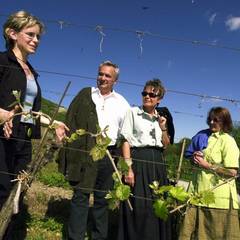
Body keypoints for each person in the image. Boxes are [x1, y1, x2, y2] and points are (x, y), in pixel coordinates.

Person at [0, 10, 67, 213]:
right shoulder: (2, 62)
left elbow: (30, 111)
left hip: (24, 136)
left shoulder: (31, 71)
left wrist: (54, 124)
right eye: (30, 34)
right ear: (12, 33)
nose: (36, 40)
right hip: (3, 135)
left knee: (17, 188)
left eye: (38, 36)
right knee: (1, 188)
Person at [58, 61, 130, 240]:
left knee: (102, 201)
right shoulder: (86, 94)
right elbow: (70, 118)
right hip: (84, 152)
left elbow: (126, 134)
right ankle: (75, 237)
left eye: (108, 76)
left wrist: (125, 163)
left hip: (108, 154)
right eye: (101, 74)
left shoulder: (122, 103)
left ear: (115, 80)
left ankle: (99, 237)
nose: (103, 78)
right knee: (81, 196)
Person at [117, 78, 172, 240]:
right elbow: (125, 141)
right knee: (139, 205)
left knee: (157, 203)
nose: (147, 96)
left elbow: (166, 145)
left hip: (157, 163)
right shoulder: (133, 112)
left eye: (152, 95)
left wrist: (163, 128)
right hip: (139, 161)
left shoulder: (161, 118)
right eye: (145, 93)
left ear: (159, 99)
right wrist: (128, 168)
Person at [179, 107, 240, 240]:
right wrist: (195, 157)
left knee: (216, 235)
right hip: (196, 195)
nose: (212, 122)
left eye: (216, 120)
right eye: (210, 119)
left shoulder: (228, 141)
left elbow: (232, 172)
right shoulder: (202, 136)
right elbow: (191, 160)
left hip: (217, 200)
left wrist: (207, 165)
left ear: (224, 122)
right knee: (189, 234)